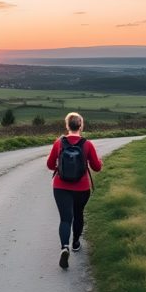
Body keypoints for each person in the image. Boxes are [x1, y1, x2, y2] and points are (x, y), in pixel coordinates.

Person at [46, 112, 102, 269]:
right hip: (82, 187)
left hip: (60, 187)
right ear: (81, 125)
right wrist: (101, 163)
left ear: (67, 125)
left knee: (65, 219)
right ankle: (76, 242)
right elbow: (96, 167)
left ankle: (65, 247)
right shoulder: (87, 144)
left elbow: (50, 165)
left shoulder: (59, 143)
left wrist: (59, 166)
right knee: (78, 214)